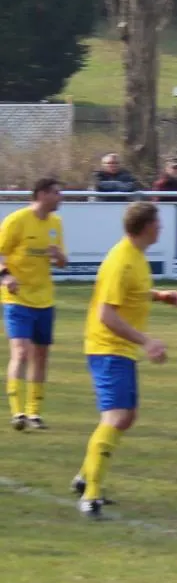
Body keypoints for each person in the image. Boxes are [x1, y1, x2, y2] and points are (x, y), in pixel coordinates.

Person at [72, 200, 177, 518]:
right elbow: (106, 314)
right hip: (107, 348)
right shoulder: (120, 261)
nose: (161, 227)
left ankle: (85, 476)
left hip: (120, 350)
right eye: (157, 222)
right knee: (116, 417)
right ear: (146, 226)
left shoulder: (137, 257)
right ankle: (91, 496)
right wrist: (147, 341)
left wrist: (159, 296)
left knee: (127, 416)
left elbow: (134, 292)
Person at [2, 178, 67, 431]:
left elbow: (62, 262)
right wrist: (6, 276)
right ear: (41, 194)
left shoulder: (56, 223)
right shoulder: (16, 221)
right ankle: (17, 412)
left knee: (41, 355)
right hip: (17, 298)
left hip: (44, 299)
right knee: (21, 352)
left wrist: (59, 256)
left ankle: (34, 413)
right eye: (56, 193)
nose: (60, 197)